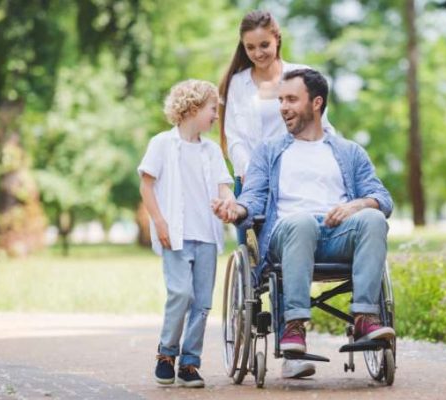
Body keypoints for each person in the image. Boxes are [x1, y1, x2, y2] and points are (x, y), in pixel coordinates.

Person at [213, 69, 396, 361]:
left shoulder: (350, 152)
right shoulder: (269, 151)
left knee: (374, 218)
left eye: (291, 99)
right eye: (281, 100)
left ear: (316, 103)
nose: (283, 107)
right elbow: (254, 198)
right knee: (302, 221)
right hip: (288, 237)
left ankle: (364, 317)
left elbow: (383, 199)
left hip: (338, 235)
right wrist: (237, 208)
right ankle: (293, 325)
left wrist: (356, 206)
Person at [218, 9, 333, 378]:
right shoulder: (238, 83)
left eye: (264, 45)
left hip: (297, 178)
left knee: (289, 257)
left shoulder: (299, 75)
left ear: (277, 38)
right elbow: (234, 135)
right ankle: (255, 329)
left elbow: (321, 122)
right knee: (258, 266)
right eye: (250, 47)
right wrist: (252, 173)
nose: (258, 53)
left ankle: (292, 350)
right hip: (253, 180)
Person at [138, 79, 235, 387]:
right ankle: (167, 353)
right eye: (212, 109)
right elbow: (147, 184)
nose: (216, 116)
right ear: (193, 108)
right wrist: (159, 222)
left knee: (202, 303)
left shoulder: (211, 151)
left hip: (207, 234)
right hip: (176, 235)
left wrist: (228, 202)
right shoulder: (162, 144)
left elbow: (224, 186)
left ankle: (190, 362)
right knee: (181, 294)